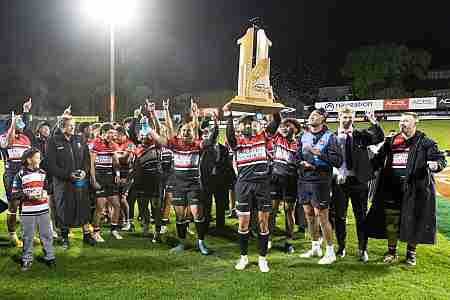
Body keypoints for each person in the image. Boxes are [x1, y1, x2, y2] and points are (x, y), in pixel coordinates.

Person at [365, 112, 446, 266]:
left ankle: (411, 254)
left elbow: (440, 159)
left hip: (415, 188)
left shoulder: (426, 142)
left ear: (415, 124)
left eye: (406, 121)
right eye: (401, 121)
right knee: (391, 220)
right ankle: (392, 252)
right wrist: (362, 169)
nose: (402, 124)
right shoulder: (391, 141)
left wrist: (436, 165)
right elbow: (377, 160)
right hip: (392, 187)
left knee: (414, 220)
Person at [223, 103, 281, 273]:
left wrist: (272, 103)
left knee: (263, 223)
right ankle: (244, 257)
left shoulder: (263, 137)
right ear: (240, 127)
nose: (248, 126)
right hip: (243, 185)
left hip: (262, 184)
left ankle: (263, 259)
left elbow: (276, 120)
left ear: (255, 125)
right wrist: (228, 115)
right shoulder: (236, 142)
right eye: (244, 124)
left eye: (250, 123)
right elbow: (230, 135)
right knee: (243, 223)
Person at [331, 107, 384, 262]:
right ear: (339, 117)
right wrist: (336, 173)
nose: (348, 120)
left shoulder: (361, 135)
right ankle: (341, 247)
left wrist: (373, 121)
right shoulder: (332, 137)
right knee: (340, 217)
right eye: (345, 117)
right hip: (340, 182)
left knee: (361, 217)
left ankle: (363, 248)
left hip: (359, 182)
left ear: (354, 118)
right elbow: (328, 158)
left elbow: (379, 137)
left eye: (350, 117)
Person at [165, 100, 217, 255]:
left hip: (194, 184)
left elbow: (211, 141)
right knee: (180, 217)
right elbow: (168, 129)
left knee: (197, 214)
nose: (186, 132)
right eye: (183, 131)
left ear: (193, 134)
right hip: (178, 185)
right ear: (179, 134)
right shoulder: (175, 145)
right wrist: (166, 110)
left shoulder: (197, 145)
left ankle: (201, 243)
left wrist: (214, 125)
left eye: (189, 131)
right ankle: (182, 243)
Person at [296, 108, 343, 265]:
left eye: (315, 115)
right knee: (309, 215)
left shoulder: (331, 137)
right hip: (304, 179)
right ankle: (315, 246)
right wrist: (301, 163)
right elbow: (296, 156)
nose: (311, 118)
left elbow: (338, 161)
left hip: (321, 181)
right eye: (310, 116)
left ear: (323, 118)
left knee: (322, 216)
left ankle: (330, 252)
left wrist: (318, 154)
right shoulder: (303, 135)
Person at [47, 115, 97, 249]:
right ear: (62, 126)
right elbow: (51, 165)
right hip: (63, 182)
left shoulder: (79, 139)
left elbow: (87, 159)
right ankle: (64, 236)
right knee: (64, 208)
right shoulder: (53, 141)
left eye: (73, 125)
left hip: (80, 180)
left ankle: (87, 235)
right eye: (70, 125)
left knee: (83, 205)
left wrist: (84, 172)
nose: (73, 127)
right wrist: (68, 175)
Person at [12, 148, 55, 271]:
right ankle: (26, 259)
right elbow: (14, 194)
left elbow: (47, 187)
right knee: (28, 236)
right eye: (37, 157)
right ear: (29, 160)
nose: (39, 159)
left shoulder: (42, 173)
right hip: (27, 212)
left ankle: (49, 256)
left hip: (43, 210)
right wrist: (29, 196)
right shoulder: (20, 175)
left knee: (46, 234)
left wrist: (45, 193)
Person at [0, 98, 33, 247]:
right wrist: (14, 122)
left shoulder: (25, 138)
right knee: (13, 205)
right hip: (11, 173)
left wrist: (26, 111)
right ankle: (12, 234)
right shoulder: (4, 137)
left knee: (25, 205)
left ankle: (26, 234)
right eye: (18, 121)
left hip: (24, 173)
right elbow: (6, 143)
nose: (21, 123)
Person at [268, 117, 301, 254]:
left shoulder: (298, 144)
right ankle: (268, 238)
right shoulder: (277, 138)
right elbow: (277, 119)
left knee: (289, 210)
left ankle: (288, 241)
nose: (286, 128)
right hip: (275, 179)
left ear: (296, 130)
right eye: (284, 126)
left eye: (289, 126)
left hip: (291, 180)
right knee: (273, 210)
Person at [90, 123, 123, 241]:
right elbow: (91, 164)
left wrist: (117, 174)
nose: (112, 136)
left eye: (113, 134)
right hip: (99, 178)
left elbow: (116, 163)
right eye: (110, 133)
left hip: (109, 179)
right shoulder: (95, 144)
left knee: (117, 205)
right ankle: (96, 231)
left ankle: (113, 230)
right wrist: (93, 180)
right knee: (100, 207)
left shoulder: (113, 145)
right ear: (103, 133)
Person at [199, 113, 230, 232]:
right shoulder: (204, 147)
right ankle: (205, 226)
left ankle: (220, 226)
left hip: (220, 180)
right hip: (207, 180)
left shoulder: (224, 149)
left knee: (220, 204)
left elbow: (227, 166)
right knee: (206, 204)